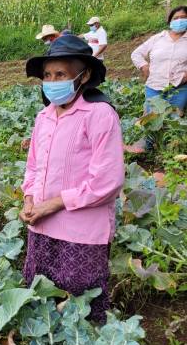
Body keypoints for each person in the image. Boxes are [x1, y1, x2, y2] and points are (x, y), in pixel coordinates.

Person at [20, 35, 125, 323]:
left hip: (81, 232)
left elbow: (107, 181)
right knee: (42, 304)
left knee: (83, 307)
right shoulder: (44, 116)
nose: (52, 81)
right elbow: (32, 167)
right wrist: (29, 198)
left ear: (84, 75)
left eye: (61, 74)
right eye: (47, 75)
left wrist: (53, 203)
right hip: (40, 227)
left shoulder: (99, 114)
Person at [130, 5, 187, 117]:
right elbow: (136, 54)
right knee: (151, 121)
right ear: (170, 21)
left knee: (173, 121)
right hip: (154, 87)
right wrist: (144, 66)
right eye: (176, 18)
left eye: (183, 17)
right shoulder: (158, 38)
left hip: (179, 88)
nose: (179, 20)